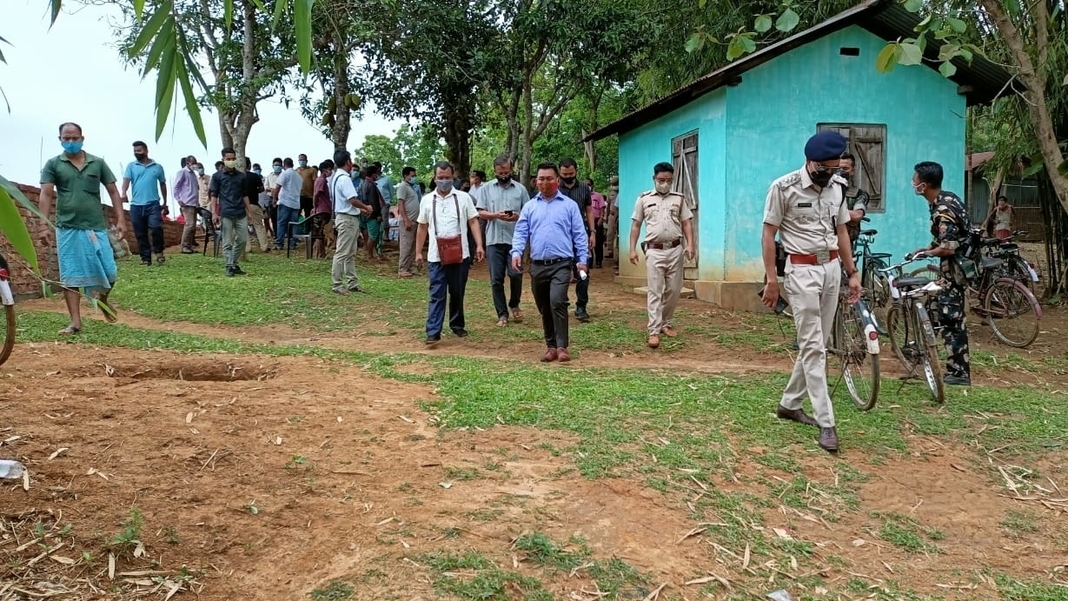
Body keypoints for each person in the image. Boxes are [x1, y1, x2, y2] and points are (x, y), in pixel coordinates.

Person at [760, 131, 861, 454]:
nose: (830, 173)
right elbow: (768, 234)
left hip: (831, 268)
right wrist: (772, 280)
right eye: (825, 168)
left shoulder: (837, 188)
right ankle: (827, 422)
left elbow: (841, 230)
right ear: (811, 162)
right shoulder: (783, 187)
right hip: (801, 271)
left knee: (817, 342)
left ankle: (790, 404)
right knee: (814, 345)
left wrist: (852, 272)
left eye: (836, 168)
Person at [39, 122, 127, 334]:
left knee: (110, 271)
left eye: (74, 138)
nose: (71, 142)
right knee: (71, 276)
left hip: (96, 227)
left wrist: (121, 219)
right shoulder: (53, 164)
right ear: (60, 139)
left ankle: (103, 298)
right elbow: (46, 194)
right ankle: (75, 322)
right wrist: (43, 225)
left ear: (82, 138)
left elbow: (114, 192)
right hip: (67, 227)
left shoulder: (97, 163)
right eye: (66, 138)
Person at [511, 162, 590, 363]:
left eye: (549, 178)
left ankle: (562, 346)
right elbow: (520, 232)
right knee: (544, 306)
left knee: (557, 301)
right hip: (538, 265)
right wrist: (516, 252)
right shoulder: (529, 207)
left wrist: (582, 260)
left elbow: (579, 234)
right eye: (541, 178)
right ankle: (551, 346)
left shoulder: (569, 206)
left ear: (557, 180)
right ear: (536, 181)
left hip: (562, 264)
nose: (544, 182)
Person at [910, 161, 971, 386]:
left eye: (914, 180)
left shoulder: (942, 210)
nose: (912, 183)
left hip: (955, 271)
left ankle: (959, 372)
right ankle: (921, 350)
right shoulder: (947, 198)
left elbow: (948, 246)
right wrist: (927, 248)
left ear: (924, 185)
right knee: (935, 307)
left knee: (952, 319)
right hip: (951, 270)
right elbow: (944, 238)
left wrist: (929, 254)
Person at [415, 161, 485, 346]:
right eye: (440, 178)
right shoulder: (427, 200)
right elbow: (422, 227)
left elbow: (473, 222)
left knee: (457, 291)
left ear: (453, 178)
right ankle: (433, 331)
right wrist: (418, 252)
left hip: (460, 254)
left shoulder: (464, 198)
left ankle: (457, 324)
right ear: (434, 178)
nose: (444, 181)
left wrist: (479, 245)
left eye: (447, 178)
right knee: (437, 292)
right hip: (436, 256)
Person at [628, 163, 695, 349]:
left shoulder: (679, 199)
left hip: (675, 249)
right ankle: (654, 330)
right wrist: (632, 249)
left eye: (668, 181)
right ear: (654, 179)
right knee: (655, 290)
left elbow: (687, 223)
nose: (665, 184)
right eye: (661, 180)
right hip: (654, 250)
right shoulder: (643, 199)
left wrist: (690, 245)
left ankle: (666, 321)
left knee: (674, 289)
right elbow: (636, 225)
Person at [476, 155, 530, 327]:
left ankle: (514, 303)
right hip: (494, 240)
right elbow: (480, 212)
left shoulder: (520, 189)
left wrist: (517, 217)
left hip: (515, 240)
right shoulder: (486, 189)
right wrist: (494, 215)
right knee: (496, 279)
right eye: (500, 172)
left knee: (516, 274)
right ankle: (502, 314)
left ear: (511, 170)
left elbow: (529, 213)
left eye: (506, 172)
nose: (504, 175)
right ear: (495, 171)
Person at [328, 150, 374, 294]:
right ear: (348, 161)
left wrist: (360, 210)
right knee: (343, 252)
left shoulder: (336, 177)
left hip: (346, 216)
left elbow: (345, 202)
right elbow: (351, 199)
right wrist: (365, 207)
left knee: (350, 253)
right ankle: (337, 284)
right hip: (347, 219)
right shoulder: (344, 178)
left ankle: (352, 282)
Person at [558, 158, 596, 322]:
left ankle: (581, 306)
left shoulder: (584, 188)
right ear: (559, 172)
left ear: (576, 171)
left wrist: (592, 232)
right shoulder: (554, 188)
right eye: (564, 174)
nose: (568, 176)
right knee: (560, 272)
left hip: (580, 235)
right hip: (559, 236)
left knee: (583, 271)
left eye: (571, 173)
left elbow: (589, 210)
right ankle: (561, 304)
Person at [121, 140, 168, 266]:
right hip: (136, 205)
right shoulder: (131, 166)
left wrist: (165, 201)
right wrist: (123, 193)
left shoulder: (157, 167)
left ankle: (159, 251)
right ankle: (145, 258)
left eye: (139, 151)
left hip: (153, 203)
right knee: (140, 232)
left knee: (156, 228)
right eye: (135, 151)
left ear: (146, 151)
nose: (137, 153)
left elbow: (163, 184)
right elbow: (126, 180)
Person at [209, 148, 252, 277]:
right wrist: (214, 213)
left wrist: (249, 211)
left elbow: (245, 195)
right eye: (228, 159)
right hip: (226, 212)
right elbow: (214, 196)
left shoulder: (241, 176)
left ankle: (232, 262)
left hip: (240, 212)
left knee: (242, 240)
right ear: (223, 160)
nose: (231, 161)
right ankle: (229, 266)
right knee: (227, 242)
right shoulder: (217, 176)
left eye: (233, 159)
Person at [839, 152, 870, 248]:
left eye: (845, 169)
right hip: (826, 246)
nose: (840, 172)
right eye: (837, 168)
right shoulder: (825, 192)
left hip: (847, 245)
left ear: (852, 171)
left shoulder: (859, 194)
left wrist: (831, 212)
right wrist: (848, 216)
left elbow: (857, 215)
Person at [272, 157, 302, 251]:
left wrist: (274, 198)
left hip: (285, 202)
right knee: (294, 224)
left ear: (284, 165)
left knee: (281, 223)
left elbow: (278, 187)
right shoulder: (298, 176)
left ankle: (279, 244)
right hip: (296, 203)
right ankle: (293, 244)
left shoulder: (285, 174)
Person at [396, 166, 421, 277]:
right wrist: (406, 219)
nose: (414, 178)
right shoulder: (402, 187)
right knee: (406, 245)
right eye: (412, 176)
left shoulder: (411, 187)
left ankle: (409, 267)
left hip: (414, 220)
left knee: (412, 246)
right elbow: (400, 204)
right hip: (408, 220)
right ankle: (402, 269)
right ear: (406, 176)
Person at [360, 163, 386, 262]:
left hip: (368, 213)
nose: (377, 176)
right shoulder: (370, 185)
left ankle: (377, 254)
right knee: (373, 235)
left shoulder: (365, 183)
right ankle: (370, 255)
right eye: (376, 174)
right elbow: (373, 202)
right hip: (372, 214)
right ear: (373, 174)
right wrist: (378, 214)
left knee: (375, 235)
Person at [174, 155, 200, 253]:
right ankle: (184, 246)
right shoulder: (182, 172)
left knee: (193, 226)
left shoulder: (193, 174)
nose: (194, 165)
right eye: (192, 163)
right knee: (189, 225)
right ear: (187, 163)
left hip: (194, 203)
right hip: (186, 202)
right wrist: (179, 199)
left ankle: (189, 246)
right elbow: (176, 187)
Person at [243, 157, 270, 253]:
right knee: (259, 226)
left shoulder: (237, 176)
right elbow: (262, 189)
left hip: (241, 206)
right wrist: (254, 191)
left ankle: (247, 248)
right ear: (249, 165)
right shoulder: (255, 176)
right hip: (254, 204)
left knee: (243, 227)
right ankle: (264, 246)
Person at [311, 159, 335, 258]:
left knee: (320, 232)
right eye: (329, 169)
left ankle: (321, 253)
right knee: (319, 233)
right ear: (324, 170)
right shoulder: (321, 180)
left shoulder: (323, 180)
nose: (331, 172)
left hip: (324, 209)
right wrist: (315, 207)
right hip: (322, 209)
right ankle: (320, 253)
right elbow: (316, 194)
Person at [587, 178, 607, 268]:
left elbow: (602, 208)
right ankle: (589, 262)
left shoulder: (598, 196)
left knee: (598, 242)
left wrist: (601, 218)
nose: (587, 187)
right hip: (586, 221)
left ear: (592, 185)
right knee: (587, 242)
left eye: (589, 184)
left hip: (597, 221)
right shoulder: (583, 195)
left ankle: (599, 261)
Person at [264, 158, 283, 239]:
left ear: (282, 166)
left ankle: (282, 234)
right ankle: (276, 234)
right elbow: (265, 187)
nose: (277, 167)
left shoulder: (284, 176)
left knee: (282, 217)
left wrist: (278, 190)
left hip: (282, 199)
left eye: (279, 165)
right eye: (275, 165)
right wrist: (273, 190)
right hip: (271, 198)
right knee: (274, 217)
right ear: (272, 166)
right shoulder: (269, 176)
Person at [296, 153, 318, 219]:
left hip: (309, 196)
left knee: (308, 216)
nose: (301, 162)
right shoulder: (296, 171)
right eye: (300, 160)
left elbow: (315, 183)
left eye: (303, 160)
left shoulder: (312, 170)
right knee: (297, 214)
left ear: (306, 161)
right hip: (299, 196)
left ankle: (308, 229)